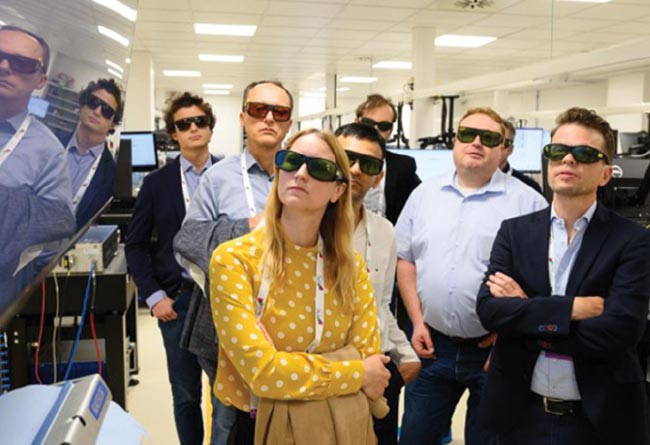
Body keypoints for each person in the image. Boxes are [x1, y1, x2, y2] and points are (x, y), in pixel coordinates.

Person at [475, 107, 650, 445]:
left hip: (598, 420)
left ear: (604, 173)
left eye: (584, 153)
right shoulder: (515, 232)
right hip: (519, 414)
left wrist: (527, 312)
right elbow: (489, 310)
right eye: (558, 151)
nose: (568, 160)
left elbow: (621, 331)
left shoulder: (632, 240)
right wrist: (571, 310)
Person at [210, 128, 390, 444]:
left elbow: (368, 351)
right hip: (258, 425)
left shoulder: (351, 266)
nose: (301, 173)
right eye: (291, 161)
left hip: (340, 425)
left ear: (338, 191)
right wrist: (355, 370)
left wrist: (288, 366)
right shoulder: (234, 261)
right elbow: (263, 373)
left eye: (319, 168)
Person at [395, 107, 548, 445]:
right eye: (468, 134)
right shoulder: (424, 195)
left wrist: (510, 331)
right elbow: (405, 259)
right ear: (455, 141)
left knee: (489, 439)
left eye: (489, 138)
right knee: (415, 438)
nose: (476, 143)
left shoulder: (529, 203)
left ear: (503, 148)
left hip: (495, 353)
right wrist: (417, 320)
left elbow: (545, 279)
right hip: (431, 346)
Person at [173, 80, 294, 443]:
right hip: (230, 330)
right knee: (228, 424)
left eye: (280, 112)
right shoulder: (218, 178)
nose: (269, 118)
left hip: (293, 327)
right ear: (242, 117)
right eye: (259, 109)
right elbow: (187, 240)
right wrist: (249, 228)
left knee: (289, 423)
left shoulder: (305, 174)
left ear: (289, 123)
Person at [125, 92, 220, 445]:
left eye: (201, 121)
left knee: (225, 393)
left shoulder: (229, 176)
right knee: (185, 395)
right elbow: (134, 245)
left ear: (210, 128)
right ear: (173, 134)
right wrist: (154, 296)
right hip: (177, 302)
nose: (194, 128)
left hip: (222, 300)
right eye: (185, 124)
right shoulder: (157, 184)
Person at [335, 122, 420, 445]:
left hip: (377, 370)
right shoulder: (304, 226)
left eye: (368, 164)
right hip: (326, 377)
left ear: (379, 176)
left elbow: (381, 305)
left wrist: (404, 352)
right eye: (347, 158)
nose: (356, 170)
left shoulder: (385, 232)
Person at [0, 25, 74, 277]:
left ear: (41, 80)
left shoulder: (48, 152)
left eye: (21, 63)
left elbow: (54, 232)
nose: (5, 67)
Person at [58, 78, 122, 228]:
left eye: (106, 110)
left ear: (113, 122)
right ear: (82, 105)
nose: (97, 111)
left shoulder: (112, 176)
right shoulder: (50, 144)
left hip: (69, 248)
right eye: (93, 102)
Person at [355, 93, 420, 225]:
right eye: (369, 123)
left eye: (384, 126)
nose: (375, 129)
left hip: (384, 238)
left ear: (391, 130)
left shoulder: (404, 166)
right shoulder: (336, 159)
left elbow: (423, 200)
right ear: (357, 122)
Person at [499, 120, 543, 194]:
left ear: (510, 149)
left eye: (504, 142)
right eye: (491, 139)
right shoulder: (474, 181)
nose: (498, 146)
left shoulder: (530, 187)